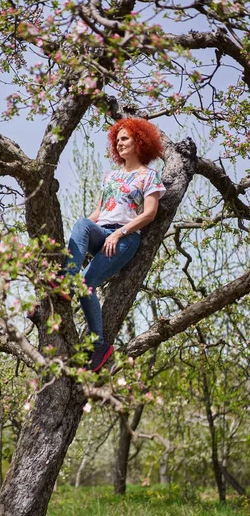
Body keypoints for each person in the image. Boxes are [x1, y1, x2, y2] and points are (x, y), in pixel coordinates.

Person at [62, 118, 166, 372]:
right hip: (102, 233)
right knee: (82, 223)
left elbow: (149, 214)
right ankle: (66, 280)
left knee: (87, 284)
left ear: (139, 141)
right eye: (116, 140)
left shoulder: (149, 176)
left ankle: (98, 346)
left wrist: (118, 234)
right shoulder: (111, 176)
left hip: (124, 239)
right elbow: (99, 212)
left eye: (125, 138)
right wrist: (80, 236)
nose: (119, 144)